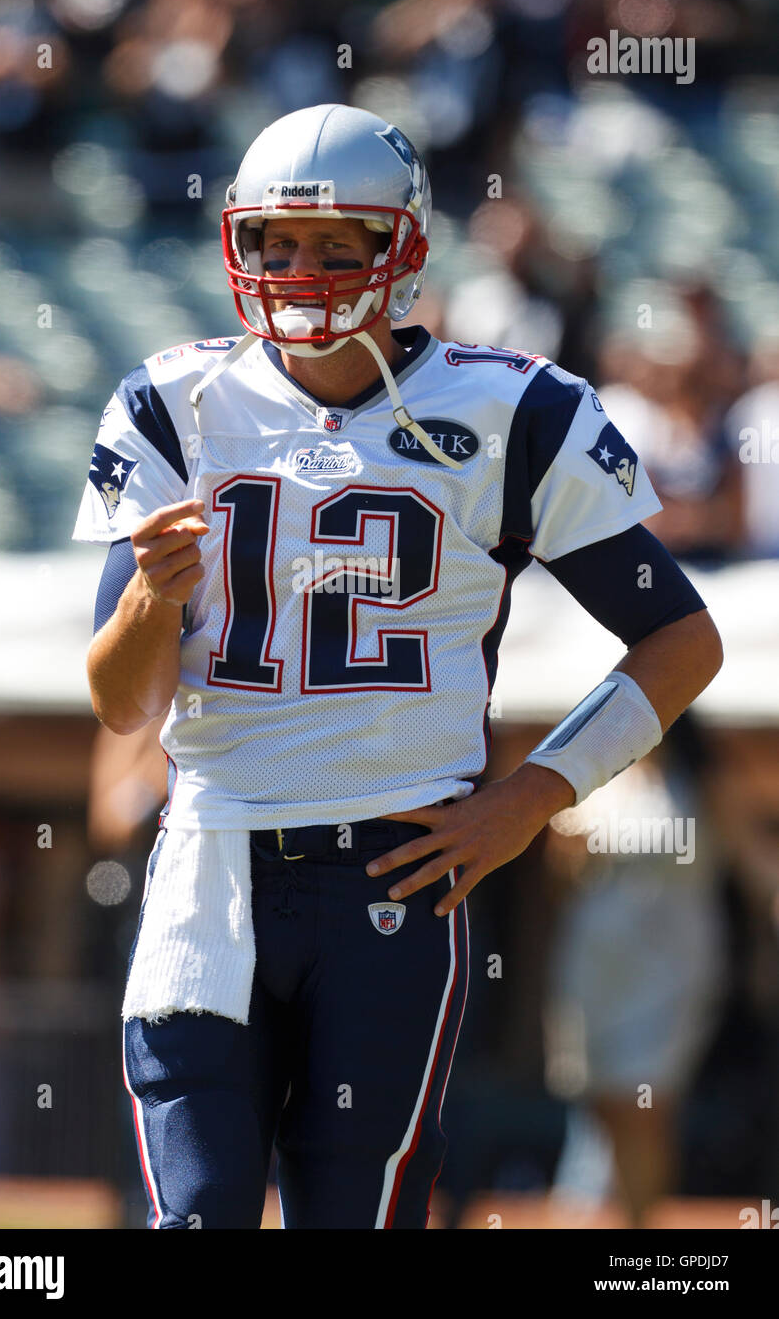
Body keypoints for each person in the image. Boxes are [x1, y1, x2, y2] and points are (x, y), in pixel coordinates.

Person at [72, 103, 722, 1229]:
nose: (299, 270)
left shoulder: (511, 410)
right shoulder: (174, 404)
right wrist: (145, 598)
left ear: (403, 253)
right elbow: (121, 703)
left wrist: (528, 798)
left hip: (394, 860)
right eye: (276, 243)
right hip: (208, 857)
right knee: (198, 1216)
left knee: (357, 1215)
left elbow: (681, 639)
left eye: (337, 247)